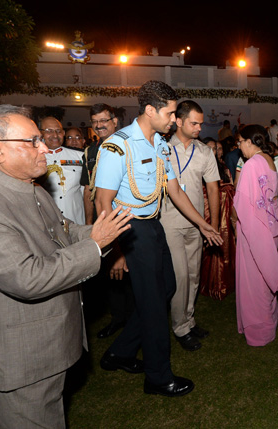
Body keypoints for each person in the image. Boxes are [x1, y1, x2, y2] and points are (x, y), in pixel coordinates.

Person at [0, 104, 132, 428]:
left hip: (47, 350)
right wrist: (96, 244)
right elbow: (29, 277)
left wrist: (105, 230)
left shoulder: (31, 190)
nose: (45, 147)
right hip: (18, 364)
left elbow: (65, 231)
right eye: (32, 141)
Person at [94, 80, 222, 397]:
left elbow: (174, 191)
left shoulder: (160, 144)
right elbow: (102, 203)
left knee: (166, 287)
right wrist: (118, 250)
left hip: (153, 225)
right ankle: (158, 376)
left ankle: (120, 352)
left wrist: (204, 224)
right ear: (150, 110)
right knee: (153, 305)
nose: (173, 119)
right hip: (129, 229)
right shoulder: (117, 145)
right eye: (169, 113)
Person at [161, 100, 220, 351]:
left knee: (194, 275)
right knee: (181, 276)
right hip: (169, 222)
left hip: (197, 225)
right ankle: (180, 327)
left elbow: (213, 188)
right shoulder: (161, 148)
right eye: (194, 123)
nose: (199, 127)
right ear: (179, 121)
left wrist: (212, 225)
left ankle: (189, 318)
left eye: (200, 123)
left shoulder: (204, 151)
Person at [81, 103, 133, 340]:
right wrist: (90, 223)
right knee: (109, 274)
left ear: (115, 121)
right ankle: (118, 318)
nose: (99, 125)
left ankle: (135, 321)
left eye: (104, 120)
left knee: (129, 270)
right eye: (95, 121)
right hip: (101, 220)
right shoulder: (90, 152)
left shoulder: (128, 147)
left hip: (125, 218)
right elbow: (87, 189)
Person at [232, 124, 278, 346]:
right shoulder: (268, 159)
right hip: (270, 225)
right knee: (265, 276)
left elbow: (244, 202)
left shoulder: (252, 164)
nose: (239, 147)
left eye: (239, 143)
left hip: (254, 227)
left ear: (248, 141)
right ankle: (268, 323)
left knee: (254, 281)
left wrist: (235, 220)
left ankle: (259, 332)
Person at [200, 139, 237, 300]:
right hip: (208, 211)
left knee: (226, 243)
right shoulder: (201, 166)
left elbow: (231, 186)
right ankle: (207, 283)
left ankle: (224, 281)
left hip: (225, 212)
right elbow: (203, 191)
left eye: (217, 149)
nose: (214, 151)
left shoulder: (223, 167)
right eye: (210, 148)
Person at [39, 116, 85, 225]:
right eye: (49, 131)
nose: (55, 135)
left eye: (58, 131)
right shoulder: (34, 158)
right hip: (47, 222)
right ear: (40, 134)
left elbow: (86, 192)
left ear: (63, 133)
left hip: (76, 219)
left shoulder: (80, 156)